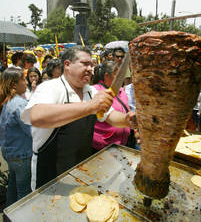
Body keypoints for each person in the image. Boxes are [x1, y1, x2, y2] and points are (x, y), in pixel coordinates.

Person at [21, 46, 136, 190]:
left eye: (92, 65)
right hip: (50, 174)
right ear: (67, 65)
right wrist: (90, 107)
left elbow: (111, 116)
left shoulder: (90, 91)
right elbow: (36, 116)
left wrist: (127, 119)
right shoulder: (51, 87)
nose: (90, 69)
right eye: (85, 63)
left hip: (82, 170)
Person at [0, 68, 32, 206]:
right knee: (24, 192)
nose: (26, 83)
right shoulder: (19, 103)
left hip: (11, 153)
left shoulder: (9, 101)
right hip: (21, 155)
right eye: (23, 80)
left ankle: (9, 213)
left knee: (13, 185)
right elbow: (32, 130)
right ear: (14, 84)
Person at [91, 61, 131, 151]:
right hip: (102, 147)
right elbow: (108, 115)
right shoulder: (96, 91)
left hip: (122, 144)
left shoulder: (121, 91)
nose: (121, 78)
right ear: (106, 76)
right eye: (117, 75)